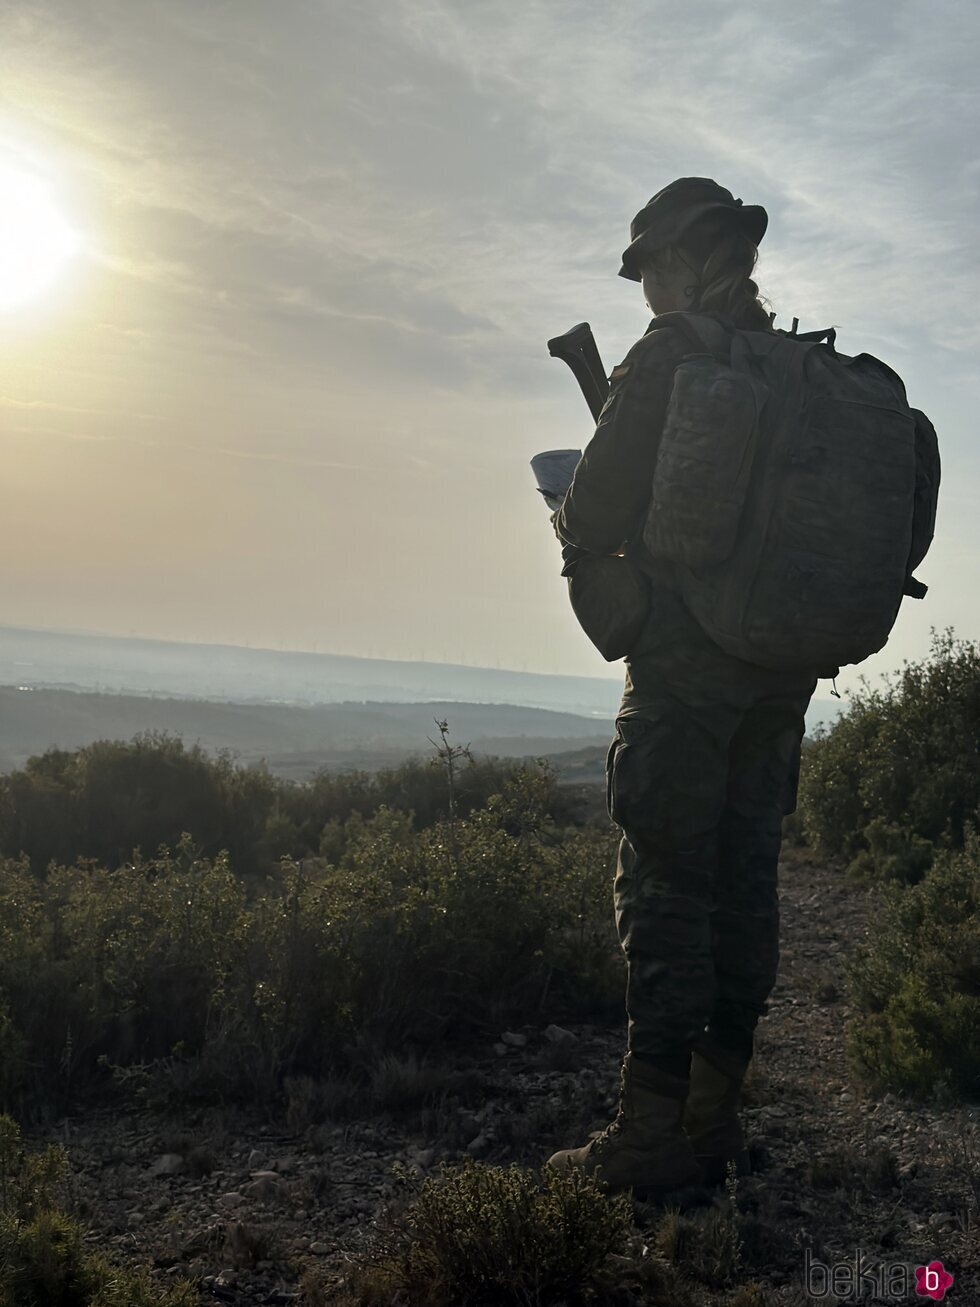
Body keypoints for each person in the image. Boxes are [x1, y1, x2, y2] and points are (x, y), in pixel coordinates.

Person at [545, 177, 820, 1202]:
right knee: (745, 884)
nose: (646, 289)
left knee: (663, 888)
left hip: (683, 673)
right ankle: (712, 1117)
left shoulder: (669, 356)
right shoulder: (799, 366)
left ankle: (650, 1135)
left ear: (681, 259)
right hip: (777, 672)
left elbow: (598, 503)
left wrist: (572, 517)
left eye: (649, 268)